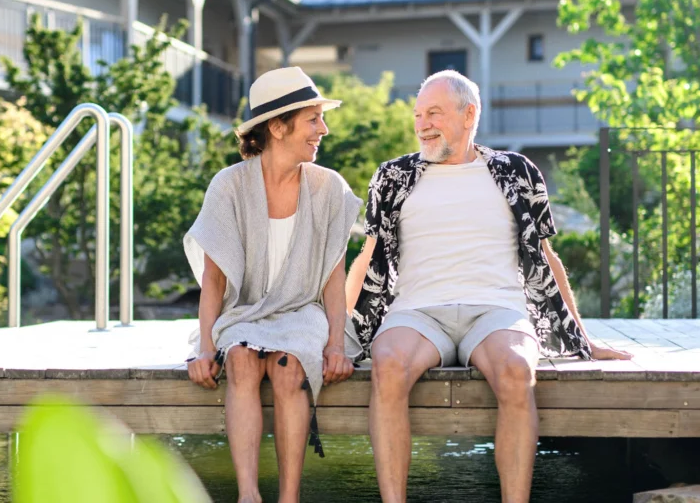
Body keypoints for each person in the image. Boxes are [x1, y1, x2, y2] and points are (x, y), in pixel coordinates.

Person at [344, 69, 633, 503]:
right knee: (387, 367)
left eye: (434, 113)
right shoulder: (393, 177)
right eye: (418, 114)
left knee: (518, 370)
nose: (422, 124)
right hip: (417, 312)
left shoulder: (517, 172)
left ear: (468, 114)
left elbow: (546, 258)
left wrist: (582, 338)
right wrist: (336, 336)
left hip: (497, 310)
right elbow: (366, 257)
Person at [184, 66, 360, 503]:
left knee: (289, 365)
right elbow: (213, 281)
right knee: (241, 359)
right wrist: (206, 348)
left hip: (304, 312)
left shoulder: (330, 188)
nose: (324, 129)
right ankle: (248, 495)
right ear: (278, 127)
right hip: (244, 311)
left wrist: (336, 345)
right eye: (314, 119)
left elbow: (334, 282)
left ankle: (289, 497)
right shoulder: (227, 187)